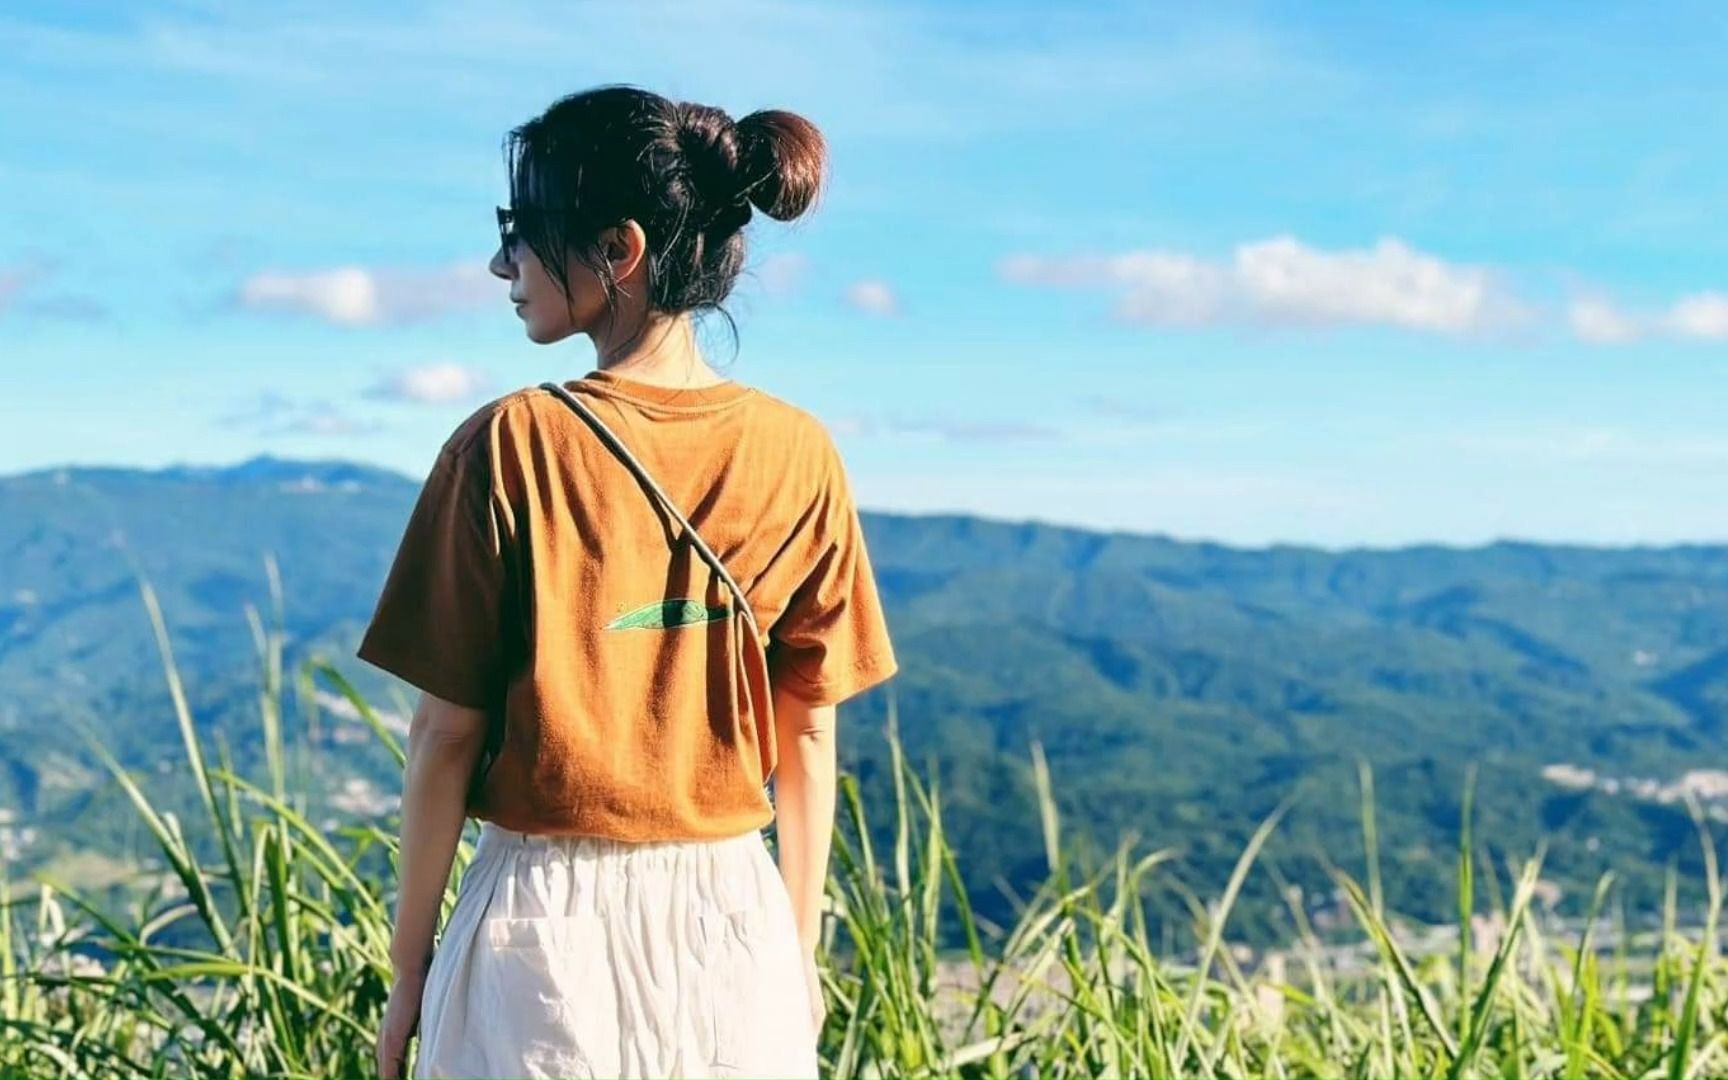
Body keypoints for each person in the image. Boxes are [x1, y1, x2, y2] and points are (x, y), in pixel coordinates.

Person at [357, 84, 899, 1079]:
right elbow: (809, 729)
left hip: (539, 927)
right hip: (735, 919)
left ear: (619, 249)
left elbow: (444, 737)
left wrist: (408, 971)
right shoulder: (800, 451)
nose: (501, 264)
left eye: (521, 232)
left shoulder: (510, 443)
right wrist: (800, 952)